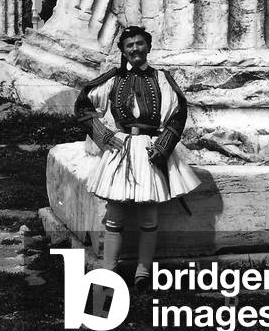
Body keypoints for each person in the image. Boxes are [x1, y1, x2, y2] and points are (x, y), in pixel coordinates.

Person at [74, 25, 200, 291]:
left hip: (151, 150)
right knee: (115, 214)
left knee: (149, 215)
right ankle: (109, 268)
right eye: (129, 45)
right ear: (123, 51)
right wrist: (104, 135)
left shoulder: (163, 79)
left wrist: (163, 146)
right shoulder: (114, 78)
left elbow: (178, 113)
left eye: (140, 44)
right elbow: (83, 103)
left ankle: (143, 271)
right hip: (120, 149)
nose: (135, 49)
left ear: (148, 47)